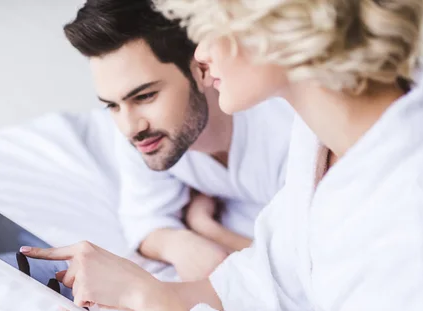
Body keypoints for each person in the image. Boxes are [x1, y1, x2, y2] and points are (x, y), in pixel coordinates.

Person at [22, 0, 423, 311]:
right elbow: (260, 287)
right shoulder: (325, 139)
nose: (200, 54)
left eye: (213, 24)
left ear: (280, 21)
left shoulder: (419, 216)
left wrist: (149, 299)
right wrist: (141, 287)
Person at [64, 0, 294, 281]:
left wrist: (206, 227)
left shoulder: (287, 131)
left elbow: (305, 267)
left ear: (202, 69)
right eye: (112, 105)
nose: (129, 127)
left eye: (145, 96)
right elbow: (142, 220)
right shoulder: (144, 133)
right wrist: (178, 244)